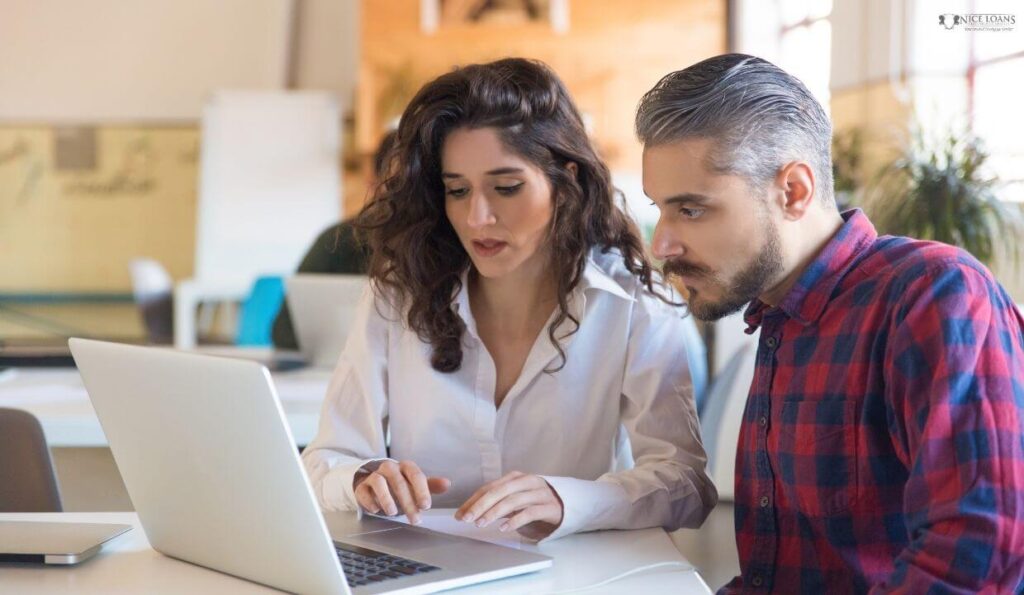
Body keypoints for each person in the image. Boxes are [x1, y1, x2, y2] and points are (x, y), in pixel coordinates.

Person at [635, 53, 1024, 592]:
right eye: (660, 209)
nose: (662, 244)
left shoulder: (935, 292)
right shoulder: (778, 319)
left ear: (793, 191)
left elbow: (978, 555)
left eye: (692, 210)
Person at [301, 57, 716, 541]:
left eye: (506, 188)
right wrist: (360, 479)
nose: (477, 217)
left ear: (565, 181)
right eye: (457, 190)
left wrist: (568, 501)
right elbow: (324, 461)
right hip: (423, 570)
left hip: (575, 573)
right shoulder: (397, 296)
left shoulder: (633, 304)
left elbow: (686, 485)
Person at [270, 131, 398, 349]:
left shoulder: (454, 247)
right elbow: (284, 332)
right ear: (374, 182)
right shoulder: (337, 242)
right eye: (397, 184)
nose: (412, 198)